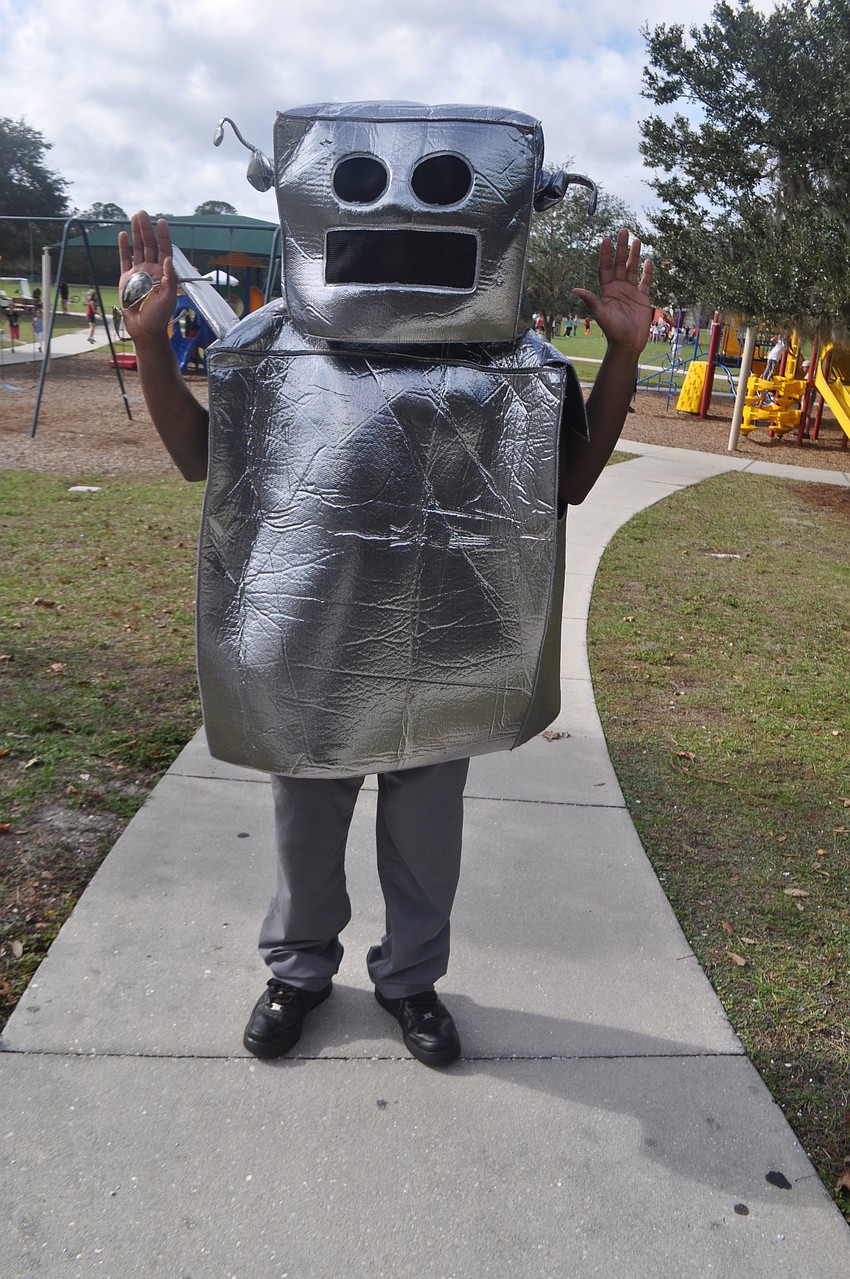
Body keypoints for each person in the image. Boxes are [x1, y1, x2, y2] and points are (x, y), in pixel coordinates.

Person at [118, 207, 651, 1068]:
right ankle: (298, 971)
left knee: (427, 831)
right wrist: (150, 344)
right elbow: (200, 458)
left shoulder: (508, 358)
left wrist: (623, 355)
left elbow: (572, 480)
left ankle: (409, 980)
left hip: (445, 643)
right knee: (304, 825)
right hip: (314, 641)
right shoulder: (273, 343)